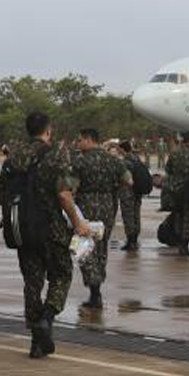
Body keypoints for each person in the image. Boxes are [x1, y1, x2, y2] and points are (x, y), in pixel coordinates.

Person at [0, 112, 87, 359]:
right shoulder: (55, 155)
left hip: (23, 230)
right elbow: (64, 195)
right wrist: (78, 222)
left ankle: (36, 343)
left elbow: (1, 195)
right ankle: (46, 318)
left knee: (32, 283)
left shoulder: (12, 158)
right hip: (51, 229)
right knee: (62, 275)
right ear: (48, 131)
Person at [71, 129, 132, 309]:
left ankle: (94, 289)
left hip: (86, 206)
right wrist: (113, 188)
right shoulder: (114, 160)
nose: (78, 143)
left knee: (83, 245)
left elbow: (70, 187)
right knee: (101, 245)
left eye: (80, 140)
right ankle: (97, 286)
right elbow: (129, 181)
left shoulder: (79, 161)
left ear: (89, 140)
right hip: (108, 206)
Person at [118, 141, 145, 251]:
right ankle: (135, 239)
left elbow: (123, 177)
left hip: (127, 193)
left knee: (128, 216)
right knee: (136, 215)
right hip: (138, 192)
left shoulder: (124, 162)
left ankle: (130, 241)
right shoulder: (137, 159)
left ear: (122, 149)